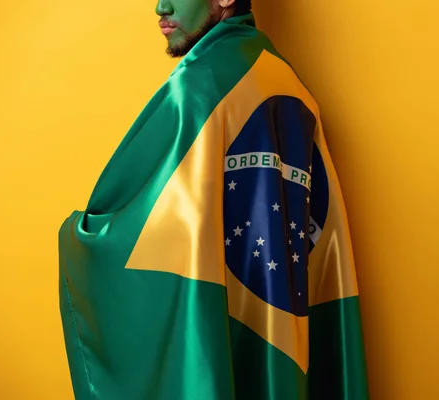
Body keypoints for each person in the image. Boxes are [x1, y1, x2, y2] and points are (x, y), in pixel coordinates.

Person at [58, 0, 369, 398]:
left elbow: (146, 229)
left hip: (223, 322)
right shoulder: (290, 83)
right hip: (281, 329)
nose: (160, 6)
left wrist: (79, 237)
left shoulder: (196, 88)